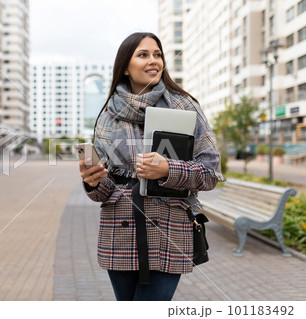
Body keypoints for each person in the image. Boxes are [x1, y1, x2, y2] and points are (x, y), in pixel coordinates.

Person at [78, 32, 224, 301]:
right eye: (143, 55)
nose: (153, 60)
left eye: (157, 54)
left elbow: (211, 173)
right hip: (119, 232)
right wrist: (93, 181)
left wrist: (168, 170)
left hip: (169, 228)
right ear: (125, 66)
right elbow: (104, 193)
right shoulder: (107, 114)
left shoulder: (184, 106)